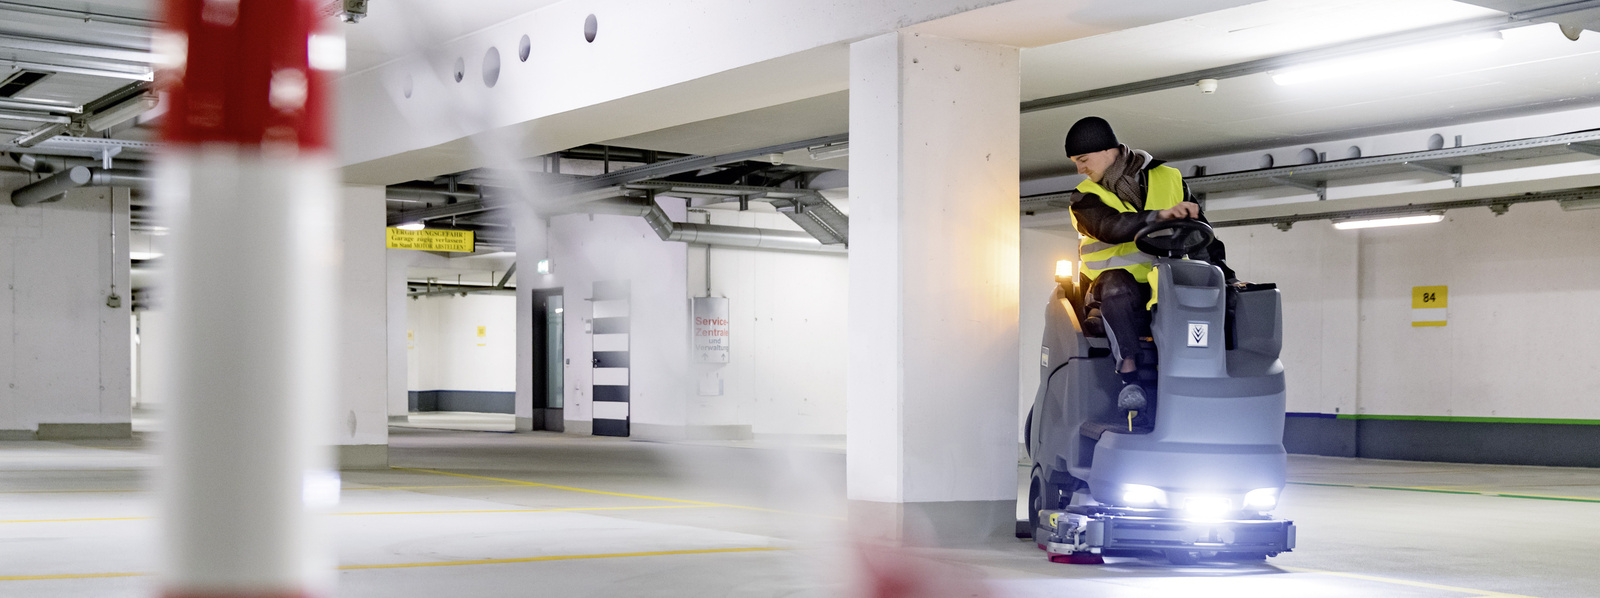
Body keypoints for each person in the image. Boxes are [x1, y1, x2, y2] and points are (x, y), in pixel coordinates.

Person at [1063, 116, 1238, 413]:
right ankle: (1129, 378)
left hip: (1166, 286)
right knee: (1116, 283)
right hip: (1109, 295)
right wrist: (1159, 217)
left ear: (1109, 150)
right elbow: (1110, 226)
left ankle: (1207, 378)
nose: (1080, 169)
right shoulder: (1084, 197)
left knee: (1219, 295)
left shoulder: (1170, 179)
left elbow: (1201, 235)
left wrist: (1228, 278)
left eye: (1083, 159)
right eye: (1076, 162)